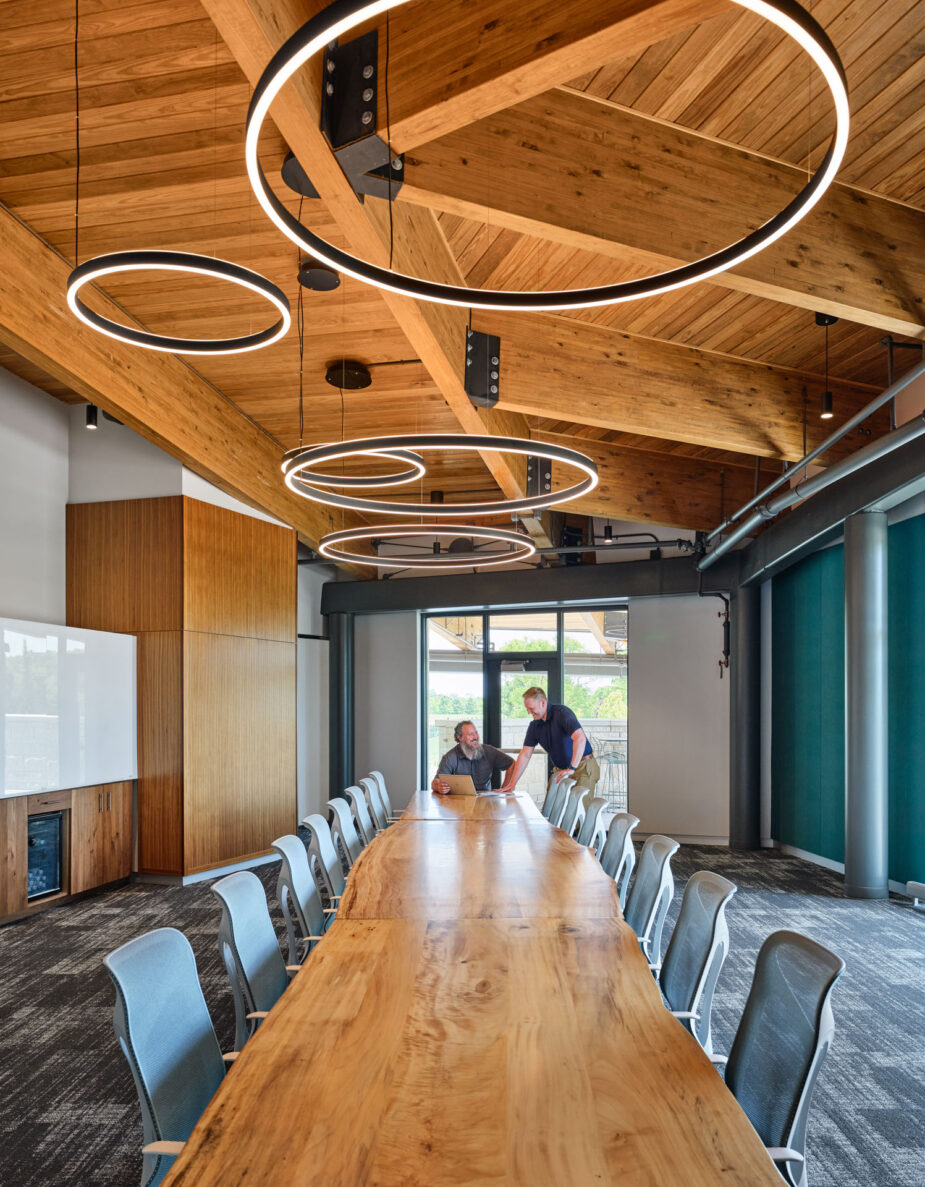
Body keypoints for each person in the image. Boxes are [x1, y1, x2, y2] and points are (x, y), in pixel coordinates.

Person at [499, 686, 600, 797]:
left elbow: (580, 738)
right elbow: (525, 754)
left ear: (543, 703)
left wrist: (572, 768)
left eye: (531, 708)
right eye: (527, 709)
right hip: (562, 770)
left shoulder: (562, 713)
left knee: (580, 811)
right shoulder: (535, 726)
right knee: (554, 809)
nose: (528, 712)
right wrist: (512, 784)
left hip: (582, 767)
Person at [432, 720, 514, 794]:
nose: (475, 737)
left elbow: (512, 765)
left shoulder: (489, 751)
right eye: (471, 734)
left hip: (485, 803)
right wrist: (439, 787)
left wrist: (504, 789)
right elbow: (435, 782)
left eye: (476, 733)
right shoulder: (449, 757)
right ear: (460, 737)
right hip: (459, 803)